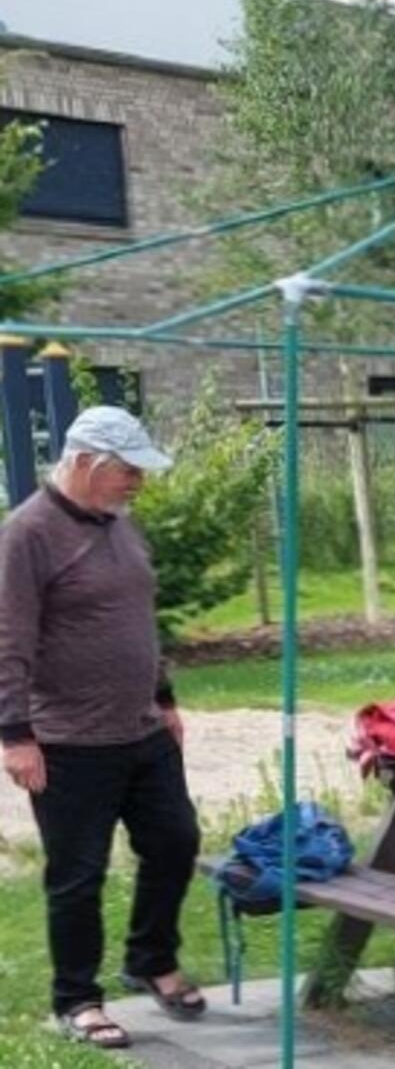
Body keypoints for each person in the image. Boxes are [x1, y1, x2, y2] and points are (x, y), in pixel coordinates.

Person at [0, 408, 205, 1048]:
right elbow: (8, 639)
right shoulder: (27, 533)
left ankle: (150, 958)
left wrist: (164, 696)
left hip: (141, 729)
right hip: (68, 742)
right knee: (78, 873)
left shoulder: (119, 522)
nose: (137, 482)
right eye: (129, 470)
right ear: (87, 463)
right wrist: (13, 733)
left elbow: (141, 617)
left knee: (175, 841)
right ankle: (78, 1000)